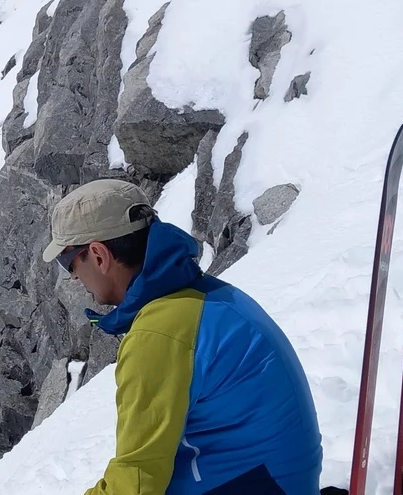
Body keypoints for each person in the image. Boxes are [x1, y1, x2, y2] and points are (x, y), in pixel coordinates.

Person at [42, 179, 322, 494]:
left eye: (68, 263)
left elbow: (136, 484)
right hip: (276, 479)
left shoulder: (159, 333)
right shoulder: (208, 295)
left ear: (98, 255)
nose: (73, 277)